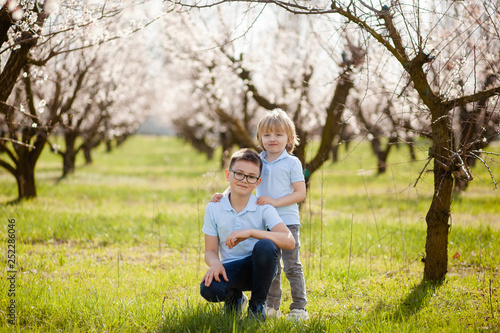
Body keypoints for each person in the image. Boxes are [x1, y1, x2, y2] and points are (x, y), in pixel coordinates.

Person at [211, 109, 309, 320]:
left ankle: (299, 307)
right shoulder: (259, 160)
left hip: (287, 222)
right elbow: (243, 178)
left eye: (278, 135)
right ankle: (271, 307)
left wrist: (275, 202)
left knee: (292, 266)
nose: (272, 139)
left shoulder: (292, 162)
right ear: (260, 138)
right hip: (264, 221)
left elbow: (300, 193)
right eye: (267, 135)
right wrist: (224, 193)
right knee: (271, 267)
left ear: (290, 138)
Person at [200, 148, 295, 322]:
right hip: (230, 269)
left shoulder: (263, 207)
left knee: (266, 245)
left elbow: (289, 241)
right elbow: (210, 250)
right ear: (228, 175)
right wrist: (214, 264)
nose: (244, 180)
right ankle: (235, 297)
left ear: (257, 182)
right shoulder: (214, 207)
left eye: (251, 176)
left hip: (260, 269)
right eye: (239, 174)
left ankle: (256, 307)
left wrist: (252, 233)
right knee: (209, 289)